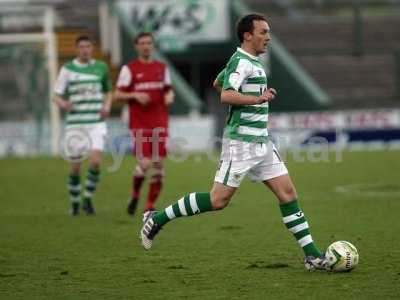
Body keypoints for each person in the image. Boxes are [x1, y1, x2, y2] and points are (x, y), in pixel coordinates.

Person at [140, 14, 328, 271]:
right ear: (247, 36)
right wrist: (256, 99)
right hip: (241, 143)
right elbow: (226, 94)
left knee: (287, 194)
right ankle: (156, 218)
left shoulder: (246, 61)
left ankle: (313, 256)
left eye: (268, 32)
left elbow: (219, 82)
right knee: (218, 200)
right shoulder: (243, 62)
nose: (268, 37)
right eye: (263, 32)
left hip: (261, 142)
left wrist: (250, 95)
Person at [114, 32, 174, 216]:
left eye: (149, 43)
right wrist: (134, 95)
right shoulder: (129, 69)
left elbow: (168, 91)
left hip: (159, 123)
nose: (146, 46)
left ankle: (149, 205)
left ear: (152, 45)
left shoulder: (161, 68)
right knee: (146, 163)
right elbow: (117, 94)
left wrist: (170, 96)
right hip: (139, 124)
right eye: (142, 43)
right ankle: (135, 194)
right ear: (136, 46)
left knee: (158, 166)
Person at [54, 35, 112, 216]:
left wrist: (107, 105)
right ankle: (75, 203)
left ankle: (87, 198)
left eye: (88, 46)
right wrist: (62, 103)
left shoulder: (101, 67)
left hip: (96, 123)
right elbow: (55, 95)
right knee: (76, 167)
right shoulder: (67, 69)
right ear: (76, 49)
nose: (85, 50)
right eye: (82, 47)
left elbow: (108, 91)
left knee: (95, 162)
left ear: (92, 48)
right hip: (76, 124)